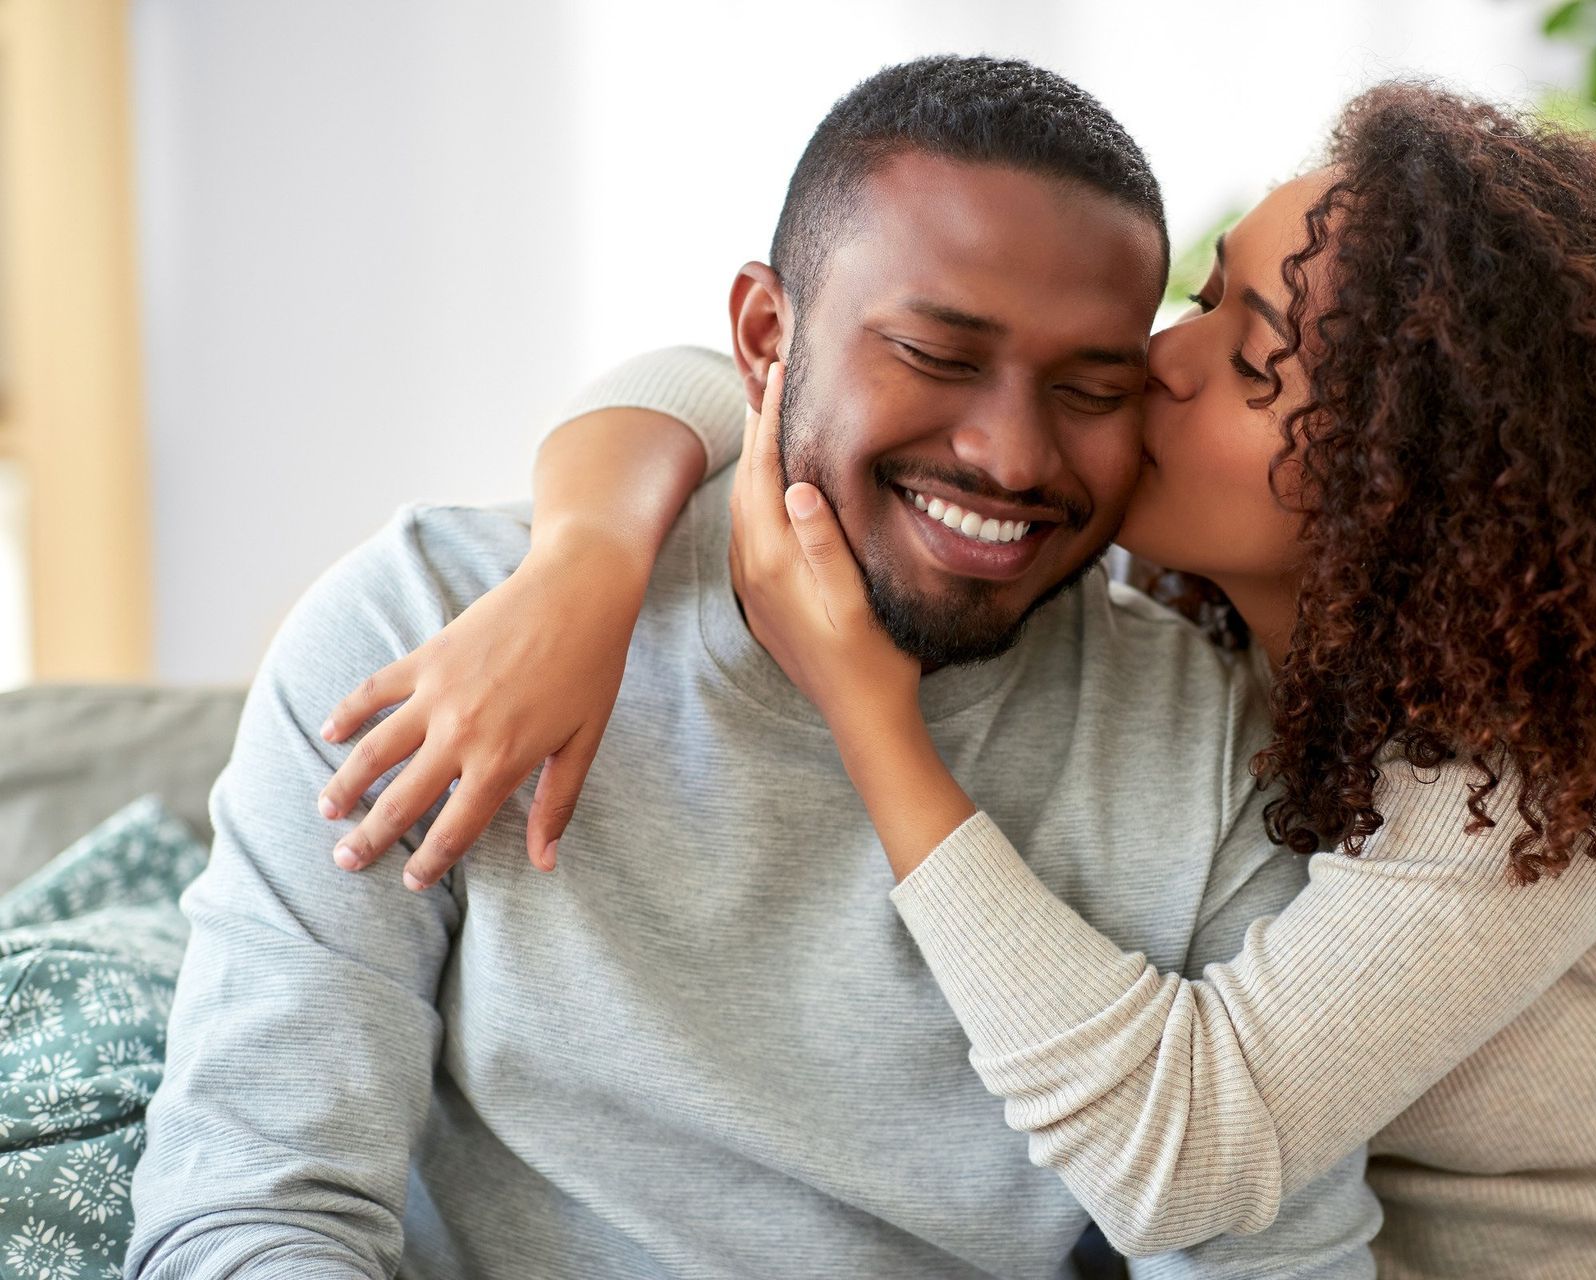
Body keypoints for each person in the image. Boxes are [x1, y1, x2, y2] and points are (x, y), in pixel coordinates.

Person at [317, 86, 1596, 1276]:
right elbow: (745, 374)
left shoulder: (1541, 767)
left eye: (1245, 346)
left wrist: (873, 712)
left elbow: (1190, 1154)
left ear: (1402, 480)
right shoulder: (1254, 633)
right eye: (1205, 295)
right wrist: (586, 562)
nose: (1161, 357)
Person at [124, 56, 1382, 1279]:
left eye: (1090, 384)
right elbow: (246, 1211)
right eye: (938, 356)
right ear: (765, 333)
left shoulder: (1210, 749)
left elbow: (1266, 1252)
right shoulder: (430, 621)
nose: (1009, 454)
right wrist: (590, 553)